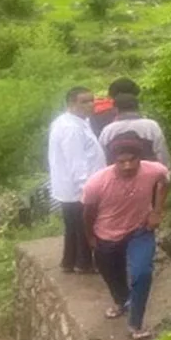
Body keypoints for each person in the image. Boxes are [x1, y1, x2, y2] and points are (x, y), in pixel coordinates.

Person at [82, 133, 169, 340]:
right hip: (107, 236)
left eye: (133, 160)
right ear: (114, 162)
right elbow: (87, 214)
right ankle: (121, 302)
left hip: (140, 231)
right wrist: (91, 238)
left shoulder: (153, 170)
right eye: (122, 162)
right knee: (112, 276)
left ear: (140, 158)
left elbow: (164, 182)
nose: (128, 166)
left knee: (142, 273)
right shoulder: (96, 183)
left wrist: (157, 210)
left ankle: (135, 324)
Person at [48, 87, 107, 274]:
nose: (90, 105)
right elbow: (77, 163)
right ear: (71, 104)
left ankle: (69, 261)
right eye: (84, 101)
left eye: (91, 100)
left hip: (71, 188)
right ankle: (84, 263)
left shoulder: (78, 121)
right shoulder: (71, 128)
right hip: (78, 188)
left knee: (73, 226)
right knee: (83, 227)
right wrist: (86, 190)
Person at [98, 93, 171, 169]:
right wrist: (166, 173)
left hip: (119, 174)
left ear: (115, 110)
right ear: (138, 107)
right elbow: (161, 152)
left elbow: (102, 157)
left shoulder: (108, 130)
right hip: (149, 173)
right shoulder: (151, 126)